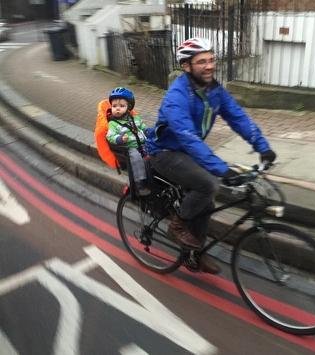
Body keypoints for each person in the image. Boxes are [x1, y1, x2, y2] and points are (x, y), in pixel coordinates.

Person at [145, 38, 276, 274]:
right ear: (187, 66)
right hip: (165, 153)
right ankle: (177, 225)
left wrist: (262, 147)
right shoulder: (177, 96)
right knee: (208, 184)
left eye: (212, 60)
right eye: (202, 61)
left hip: (188, 152)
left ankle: (194, 254)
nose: (209, 66)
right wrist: (221, 169)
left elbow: (238, 117)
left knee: (206, 201)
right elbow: (188, 137)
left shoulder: (214, 90)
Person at [106, 87, 150, 196]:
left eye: (122, 106)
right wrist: (120, 139)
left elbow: (142, 127)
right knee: (136, 158)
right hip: (130, 147)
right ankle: (140, 183)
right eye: (114, 106)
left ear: (128, 107)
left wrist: (149, 131)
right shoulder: (113, 124)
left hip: (143, 144)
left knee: (154, 154)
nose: (117, 109)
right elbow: (110, 136)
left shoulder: (134, 118)